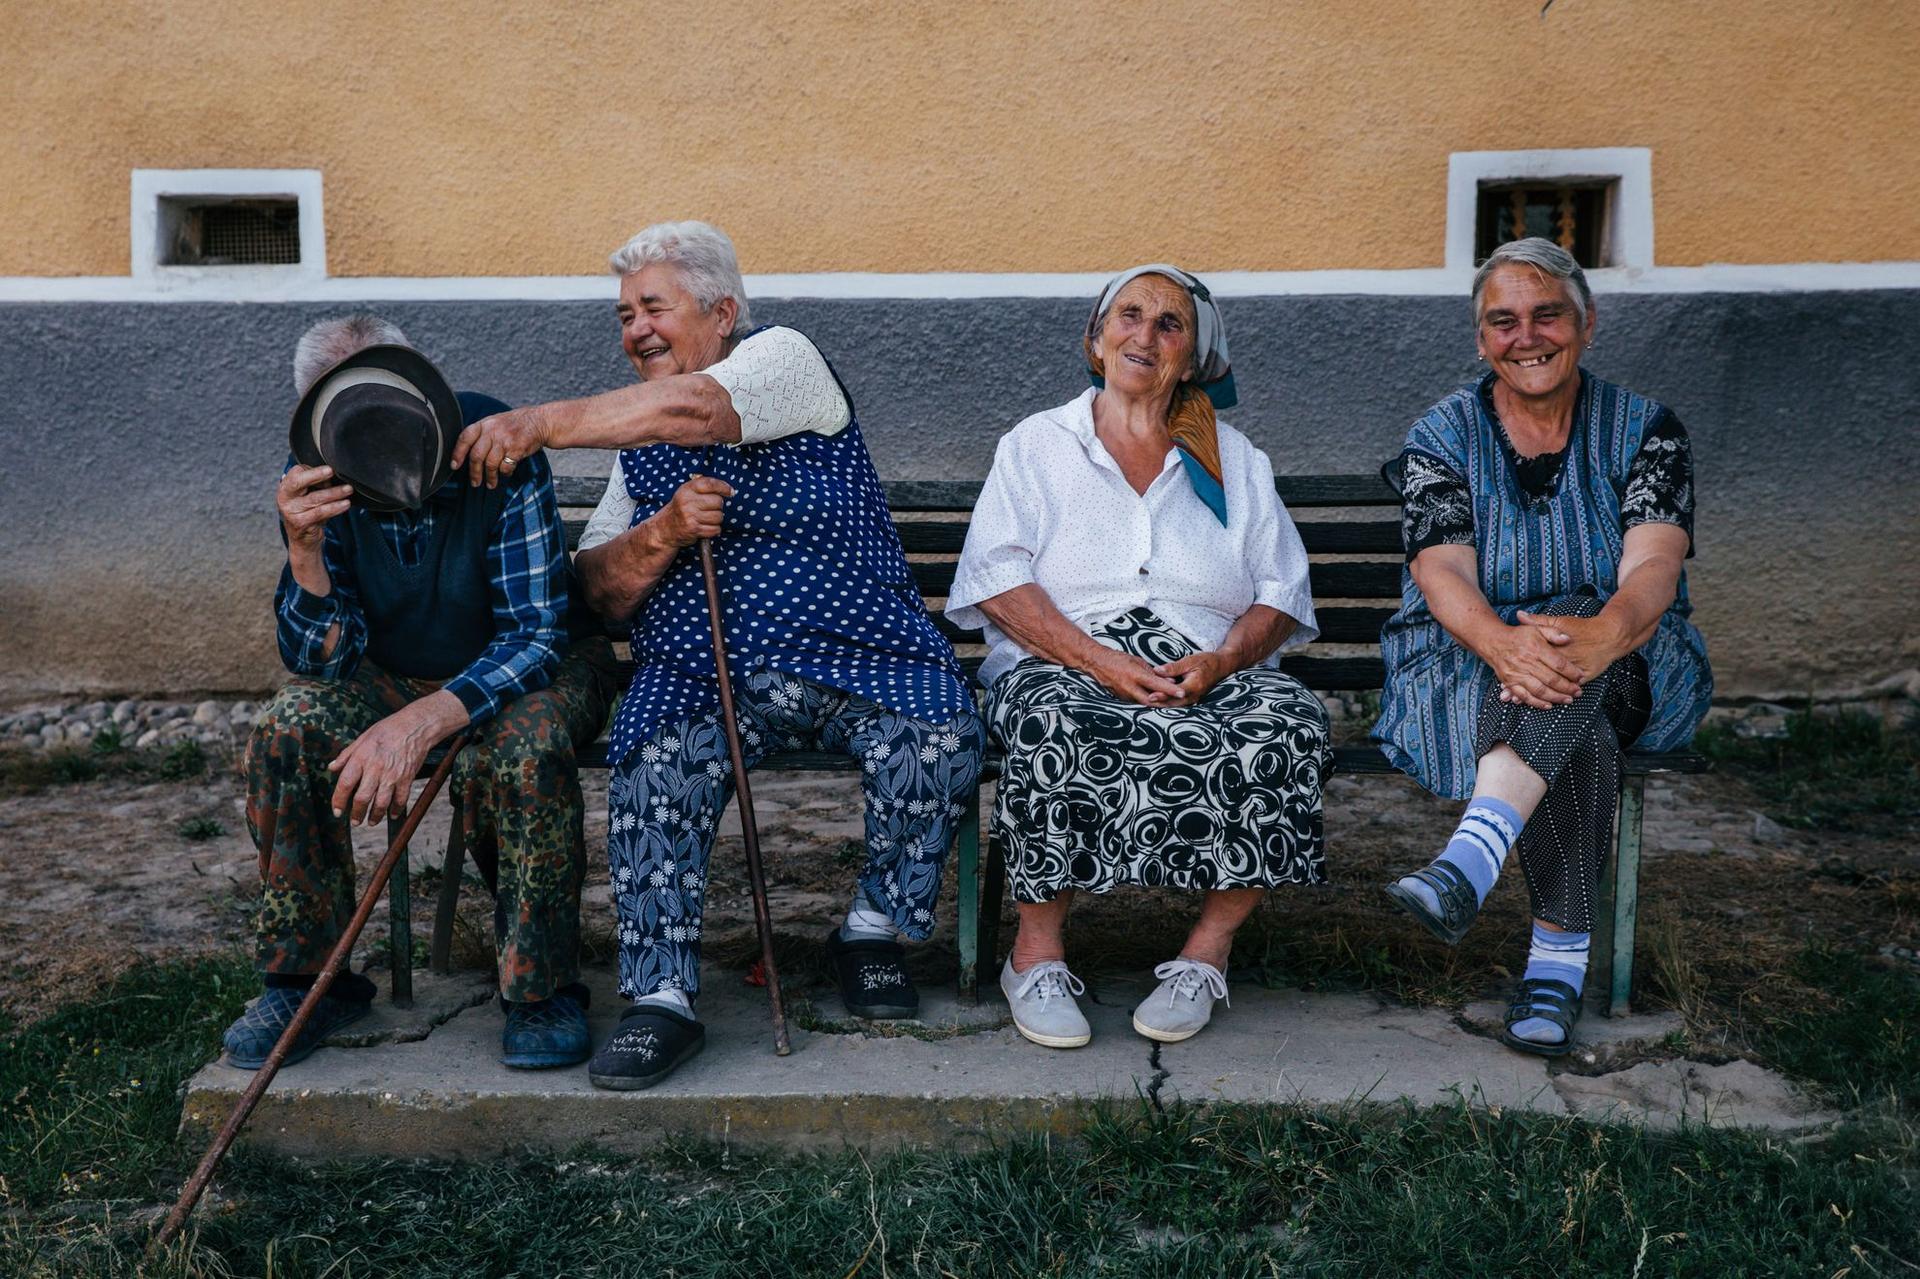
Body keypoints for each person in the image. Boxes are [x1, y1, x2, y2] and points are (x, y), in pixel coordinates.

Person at [451, 221, 986, 1089]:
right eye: (624, 316)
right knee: (654, 758)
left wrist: (540, 422)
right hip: (705, 674)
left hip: (861, 654)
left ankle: (871, 930)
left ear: (723, 312)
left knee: (940, 733)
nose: (636, 330)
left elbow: (700, 409)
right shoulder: (637, 448)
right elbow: (599, 593)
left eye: (653, 307)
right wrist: (661, 533)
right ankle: (662, 999)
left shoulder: (785, 360)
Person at [946, 264, 1329, 1050]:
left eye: (1169, 323)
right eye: (1129, 315)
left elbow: (1282, 590)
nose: (1144, 335)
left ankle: (1204, 954)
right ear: (1095, 340)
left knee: (1289, 722)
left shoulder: (1234, 458)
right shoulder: (1037, 444)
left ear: (1193, 360)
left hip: (1203, 662)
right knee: (1050, 722)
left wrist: (1223, 661)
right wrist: (1098, 661)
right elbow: (996, 579)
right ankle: (1035, 956)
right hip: (1061, 659)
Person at [222, 315, 617, 1073]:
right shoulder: (318, 475)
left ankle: (540, 988)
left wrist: (420, 722)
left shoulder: (494, 449)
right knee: (287, 727)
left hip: (536, 663)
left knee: (525, 745)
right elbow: (321, 660)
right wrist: (304, 551)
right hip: (395, 670)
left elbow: (535, 635)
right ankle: (308, 981)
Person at [1375, 237, 1712, 1057]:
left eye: (1547, 315)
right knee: (1574, 722)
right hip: (1464, 664)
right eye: (1504, 321)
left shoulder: (1647, 430)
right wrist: (1502, 643)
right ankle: (1557, 966)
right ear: (1481, 339)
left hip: (1628, 660)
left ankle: (1469, 858)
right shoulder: (1443, 432)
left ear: (1587, 324)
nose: (1526, 336)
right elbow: (1441, 569)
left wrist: (1599, 635)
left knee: (1570, 642)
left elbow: (1654, 565)